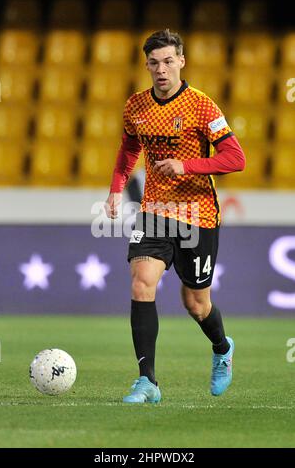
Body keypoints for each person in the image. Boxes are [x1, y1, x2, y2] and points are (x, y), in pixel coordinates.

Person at [105, 29, 245, 403]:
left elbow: (236, 158)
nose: (161, 70)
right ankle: (147, 381)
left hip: (198, 214)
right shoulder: (136, 106)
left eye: (168, 61)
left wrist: (187, 165)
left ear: (181, 61)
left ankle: (221, 347)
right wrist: (116, 188)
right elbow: (127, 149)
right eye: (154, 63)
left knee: (195, 304)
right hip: (155, 210)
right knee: (141, 282)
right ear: (146, 65)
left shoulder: (201, 106)